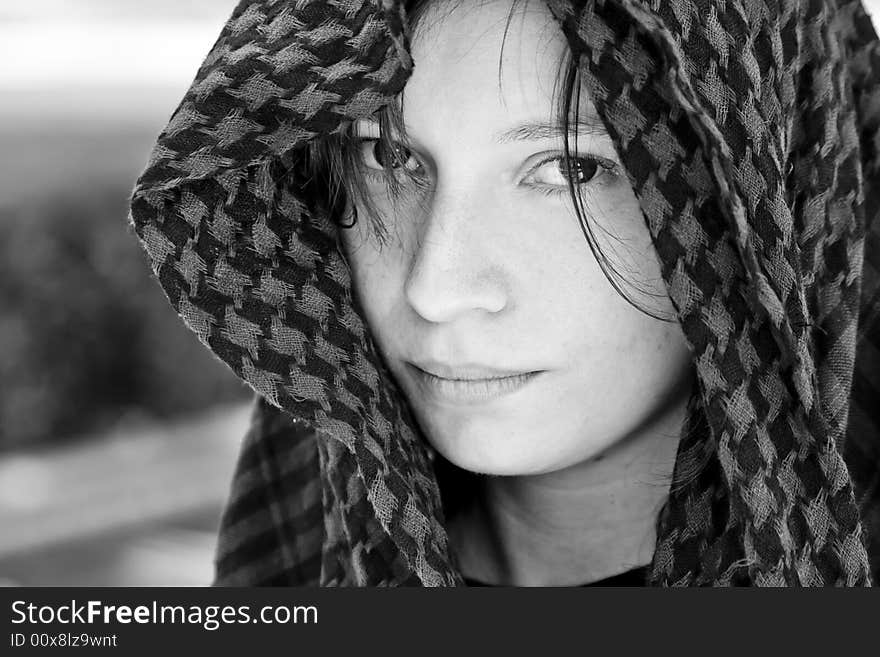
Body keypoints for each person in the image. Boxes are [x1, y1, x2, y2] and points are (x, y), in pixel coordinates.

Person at [129, 0, 880, 586]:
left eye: (570, 168)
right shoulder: (302, 560)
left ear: (777, 192)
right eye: (388, 154)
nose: (436, 287)